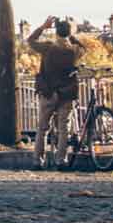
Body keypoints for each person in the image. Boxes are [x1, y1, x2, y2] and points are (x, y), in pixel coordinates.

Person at [29, 15, 86, 169]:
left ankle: (37, 161)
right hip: (66, 94)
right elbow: (83, 48)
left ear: (56, 32)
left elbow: (30, 41)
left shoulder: (47, 48)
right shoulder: (74, 51)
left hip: (48, 93)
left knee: (42, 129)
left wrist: (43, 27)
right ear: (69, 32)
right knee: (63, 129)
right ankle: (61, 160)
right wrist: (71, 34)